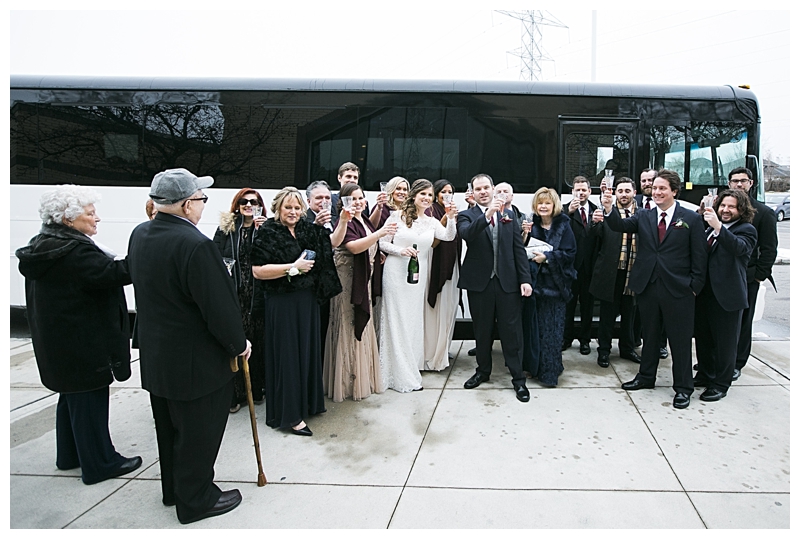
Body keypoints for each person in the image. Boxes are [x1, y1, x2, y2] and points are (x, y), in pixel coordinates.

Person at [127, 168, 251, 524]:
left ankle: (174, 490)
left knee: (168, 429)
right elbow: (217, 308)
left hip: (157, 355)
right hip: (196, 361)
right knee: (198, 433)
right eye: (200, 199)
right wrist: (238, 343)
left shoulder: (141, 234)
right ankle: (196, 500)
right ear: (184, 205)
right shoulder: (196, 244)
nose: (202, 206)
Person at [16, 185, 141, 486]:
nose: (97, 218)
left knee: (70, 398)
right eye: (90, 213)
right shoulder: (75, 252)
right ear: (68, 219)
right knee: (90, 401)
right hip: (83, 344)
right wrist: (144, 252)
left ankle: (70, 455)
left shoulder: (43, 245)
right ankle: (101, 464)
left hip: (58, 344)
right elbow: (116, 274)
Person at [602, 169, 707, 409]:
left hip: (679, 290)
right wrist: (608, 208)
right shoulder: (644, 216)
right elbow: (618, 225)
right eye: (655, 188)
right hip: (648, 287)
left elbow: (699, 257)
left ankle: (682, 388)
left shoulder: (690, 219)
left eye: (662, 188)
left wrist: (694, 286)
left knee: (679, 341)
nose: (657, 192)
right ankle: (646, 377)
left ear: (674, 192)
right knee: (649, 336)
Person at [251, 187, 342, 435]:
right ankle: (290, 416)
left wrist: (342, 220)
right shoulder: (268, 231)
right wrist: (293, 267)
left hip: (307, 301)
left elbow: (331, 243)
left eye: (296, 207)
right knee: (288, 357)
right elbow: (258, 271)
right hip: (282, 303)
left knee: (306, 353)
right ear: (278, 208)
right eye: (288, 207)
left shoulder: (306, 229)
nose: (292, 212)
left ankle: (308, 404)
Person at [458, 174, 532, 402]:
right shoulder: (466, 215)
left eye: (486, 187)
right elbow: (467, 235)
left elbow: (518, 250)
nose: (483, 192)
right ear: (473, 192)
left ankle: (518, 379)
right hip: (480, 283)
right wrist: (488, 214)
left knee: (512, 331)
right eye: (478, 189)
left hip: (507, 282)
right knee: (482, 330)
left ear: (492, 189)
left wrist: (525, 279)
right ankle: (483, 371)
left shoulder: (510, 215)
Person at [379, 179, 457, 392]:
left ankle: (410, 366)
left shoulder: (432, 222)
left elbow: (449, 236)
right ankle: (397, 373)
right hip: (396, 272)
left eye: (430, 195)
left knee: (413, 320)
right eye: (423, 194)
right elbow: (382, 242)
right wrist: (399, 251)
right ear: (414, 196)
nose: (426, 198)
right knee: (397, 320)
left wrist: (450, 218)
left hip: (418, 274)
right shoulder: (397, 217)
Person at [323, 183, 397, 402]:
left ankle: (362, 377)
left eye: (360, 198)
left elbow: (367, 241)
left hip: (363, 279)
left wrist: (375, 254)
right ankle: (347, 383)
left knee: (361, 327)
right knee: (349, 325)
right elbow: (354, 247)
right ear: (344, 202)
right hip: (348, 282)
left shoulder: (363, 220)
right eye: (352, 199)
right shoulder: (342, 222)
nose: (357, 202)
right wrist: (381, 234)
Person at [694, 190, 757, 401]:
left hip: (727, 297)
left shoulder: (746, 230)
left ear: (742, 209)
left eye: (732, 207)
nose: (726, 210)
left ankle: (721, 384)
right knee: (704, 339)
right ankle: (705, 373)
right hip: (705, 294)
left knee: (725, 344)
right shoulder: (709, 228)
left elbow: (739, 248)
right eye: (723, 206)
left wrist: (718, 227)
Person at [212, 188, 268, 412]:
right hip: (234, 293)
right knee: (236, 343)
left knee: (257, 343)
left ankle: (255, 390)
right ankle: (235, 394)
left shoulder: (265, 227)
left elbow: (271, 256)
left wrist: (263, 232)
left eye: (253, 202)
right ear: (237, 204)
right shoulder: (227, 228)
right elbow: (214, 257)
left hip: (257, 294)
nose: (248, 205)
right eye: (244, 201)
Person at [726, 167, 778, 381]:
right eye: (735, 181)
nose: (739, 184)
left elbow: (769, 249)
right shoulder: (723, 207)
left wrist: (758, 276)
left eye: (743, 181)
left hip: (747, 278)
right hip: (722, 276)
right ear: (729, 184)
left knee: (743, 322)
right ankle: (716, 359)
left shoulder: (763, 213)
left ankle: (737, 362)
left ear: (751, 183)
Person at [588, 178, 642, 368]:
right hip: (611, 272)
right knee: (607, 316)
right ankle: (603, 351)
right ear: (615, 193)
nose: (624, 194)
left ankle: (627, 348)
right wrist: (594, 224)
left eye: (627, 190)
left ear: (634, 192)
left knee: (629, 314)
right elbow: (595, 235)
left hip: (633, 273)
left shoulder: (643, 214)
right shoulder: (605, 211)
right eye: (620, 191)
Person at [526, 187, 577, 386]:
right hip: (536, 286)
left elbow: (570, 254)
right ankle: (534, 367)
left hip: (556, 287)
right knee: (535, 330)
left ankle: (550, 372)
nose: (543, 206)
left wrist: (547, 258)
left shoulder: (564, 225)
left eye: (547, 202)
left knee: (553, 332)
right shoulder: (531, 225)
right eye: (540, 203)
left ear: (554, 205)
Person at [423, 179, 461, 371]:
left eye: (450, 192)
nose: (447, 195)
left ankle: (443, 348)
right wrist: (447, 217)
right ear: (436, 194)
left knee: (449, 307)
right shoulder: (431, 211)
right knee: (437, 308)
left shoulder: (454, 210)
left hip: (451, 264)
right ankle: (432, 352)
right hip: (436, 264)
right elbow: (433, 236)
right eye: (443, 192)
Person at [634, 168, 669, 359]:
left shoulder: (673, 210)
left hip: (661, 271)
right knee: (640, 309)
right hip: (639, 265)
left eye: (651, 181)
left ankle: (661, 345)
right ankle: (636, 339)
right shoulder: (635, 204)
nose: (648, 184)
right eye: (644, 181)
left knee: (661, 312)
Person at [562, 176, 597, 355]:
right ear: (572, 191)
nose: (581, 193)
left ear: (590, 192)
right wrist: (568, 212)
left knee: (587, 306)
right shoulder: (564, 210)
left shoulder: (597, 211)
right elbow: (557, 229)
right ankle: (566, 338)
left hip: (589, 268)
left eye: (584, 190)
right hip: (570, 267)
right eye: (578, 190)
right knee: (568, 304)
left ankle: (585, 340)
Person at [330, 162, 385, 228]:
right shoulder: (331, 200)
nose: (352, 180)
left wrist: (379, 208)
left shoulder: (362, 202)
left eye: (355, 177)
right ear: (339, 178)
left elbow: (368, 227)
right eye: (348, 176)